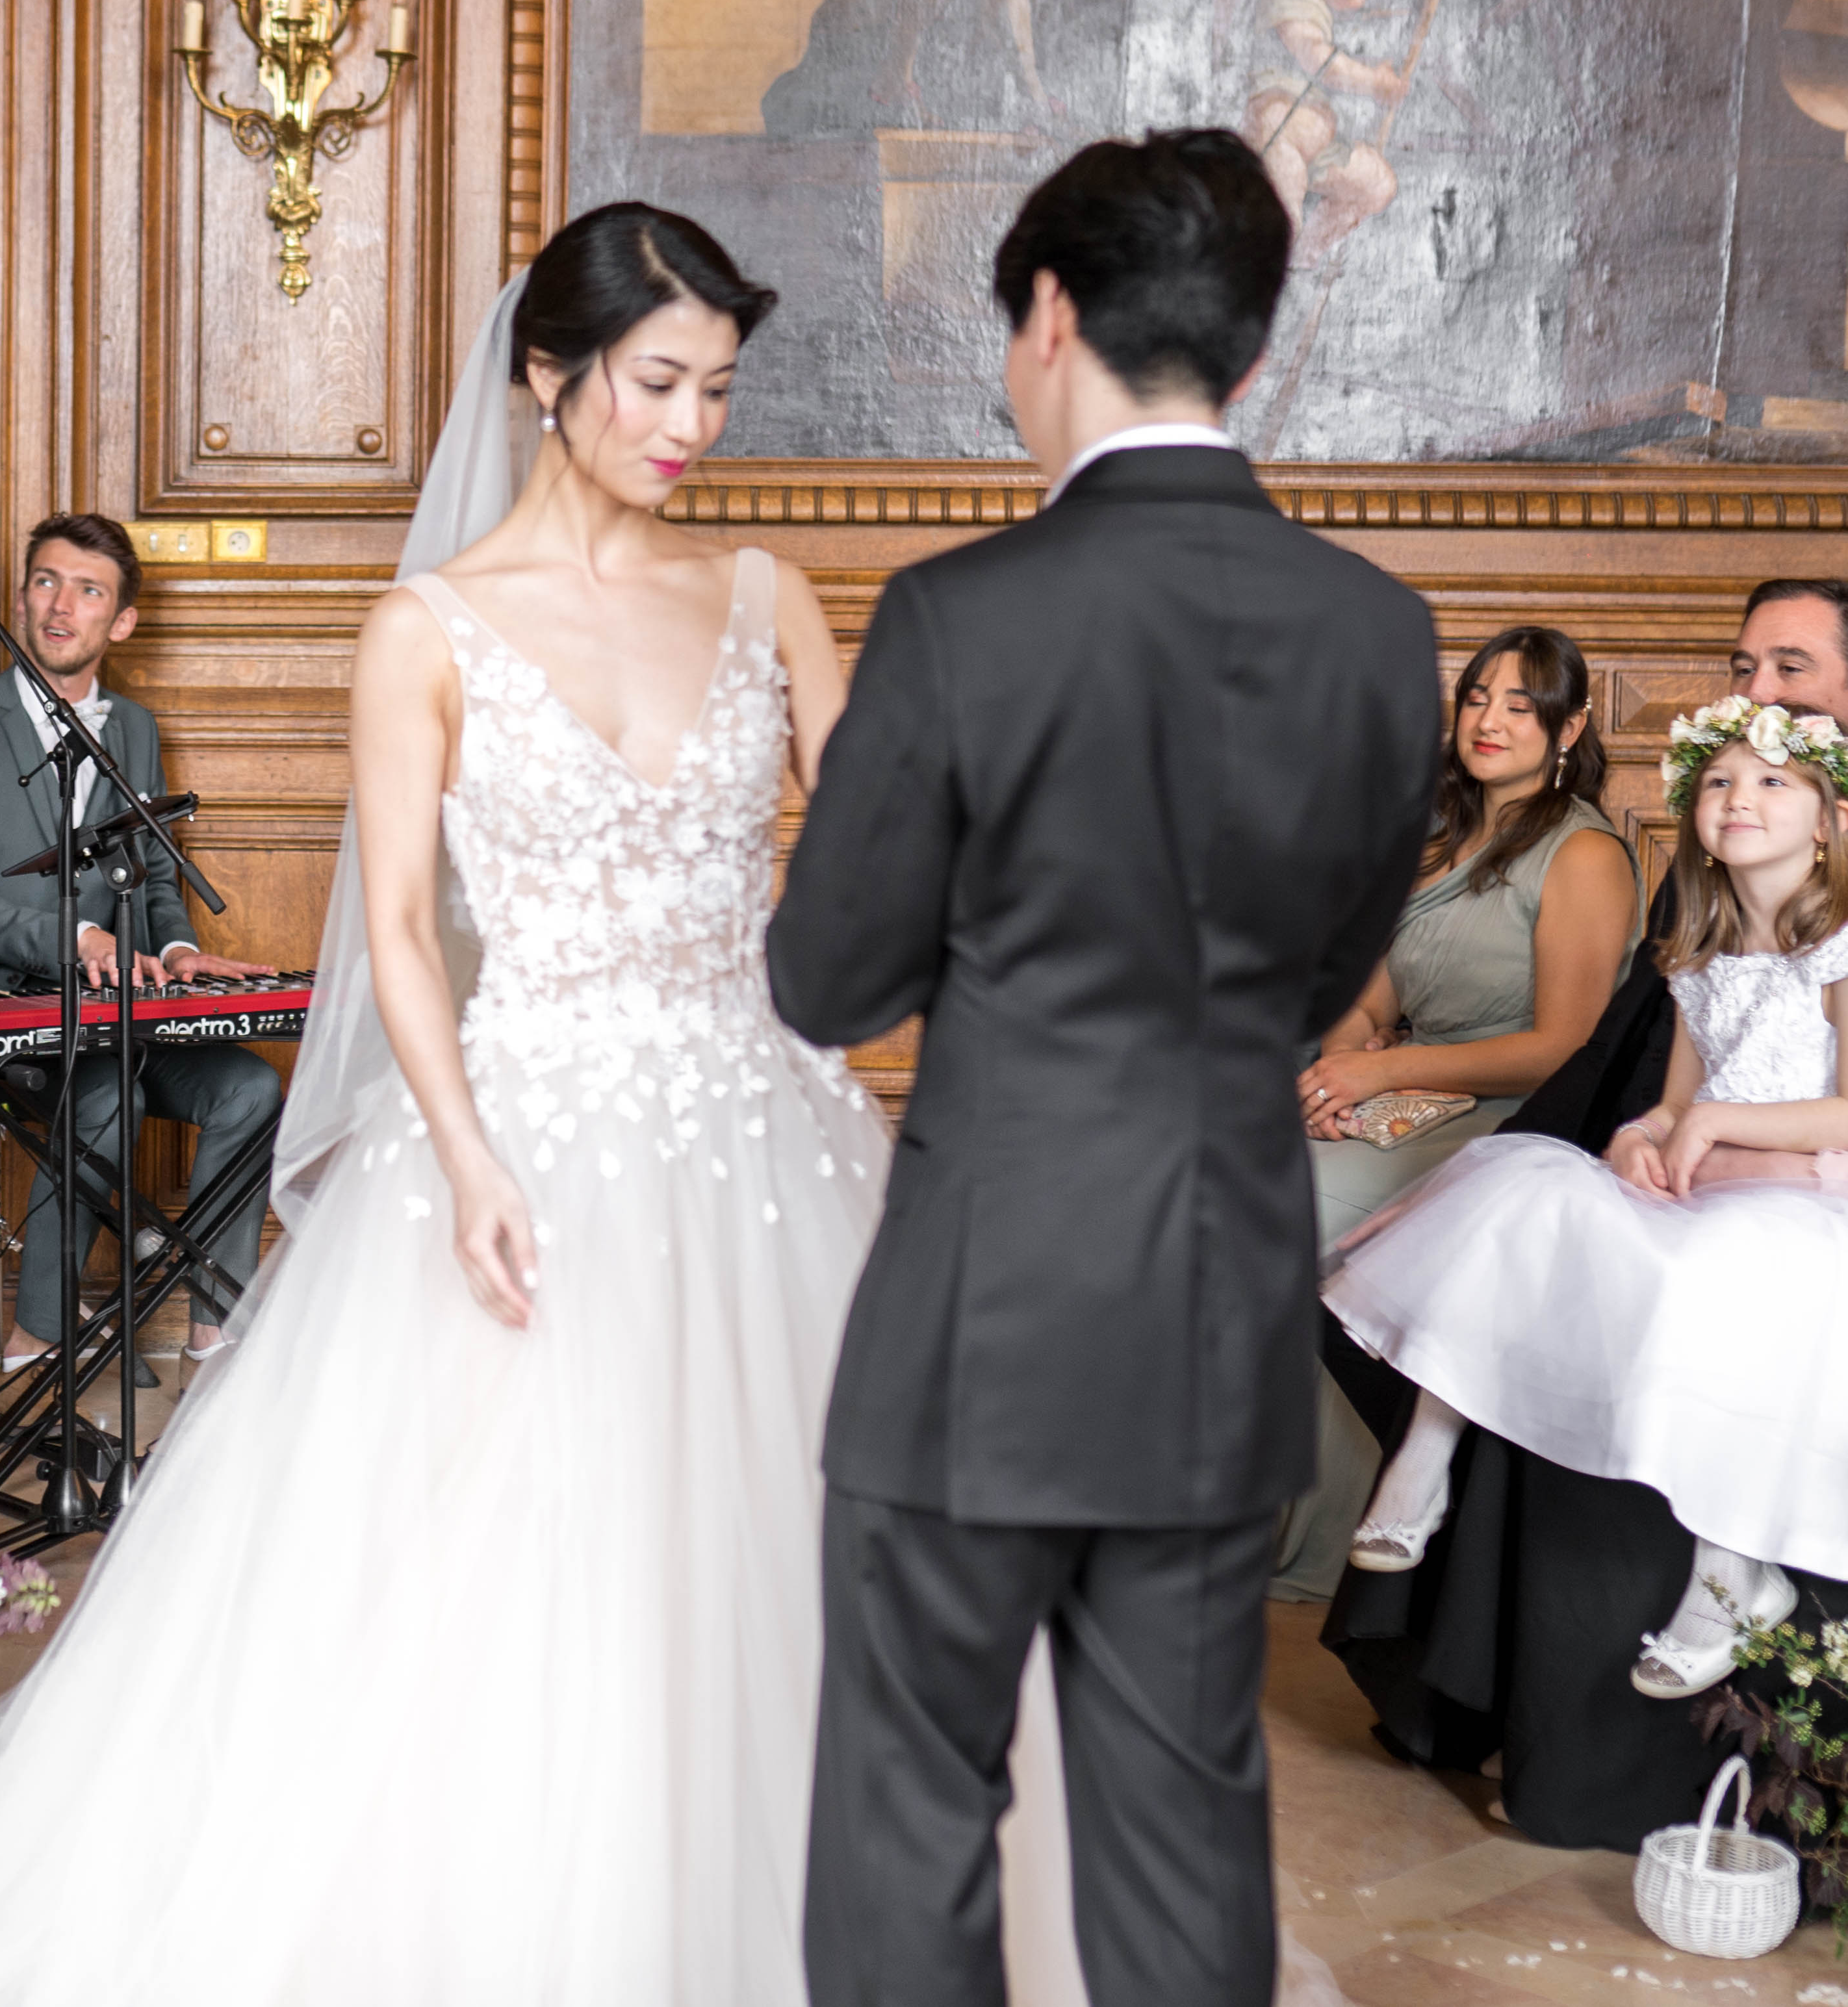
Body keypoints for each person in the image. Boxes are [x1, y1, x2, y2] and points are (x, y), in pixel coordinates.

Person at [0, 202, 979, 2006]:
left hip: (753, 1130)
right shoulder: (429, 627)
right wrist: (468, 1152)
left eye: (718, 391)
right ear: (549, 376)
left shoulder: (767, 601)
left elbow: (886, 853)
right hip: (521, 1130)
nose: (691, 427)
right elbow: (395, 926)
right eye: (658, 383)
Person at [769, 130, 1441, 2007]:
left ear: (1049, 314)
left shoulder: (958, 616)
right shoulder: (1378, 640)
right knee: (1178, 1829)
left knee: (909, 1813)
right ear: (1242, 339)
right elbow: (1324, 970)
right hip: (1217, 1303)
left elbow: (827, 978)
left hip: (978, 1315)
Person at [1323, 578, 1848, 1845]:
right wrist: (1650, 1129)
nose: (1756, 707)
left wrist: (1717, 1129)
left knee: (1727, 1287)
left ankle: (1735, 1570)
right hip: (1712, 1171)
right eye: (1743, 670)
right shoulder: (1713, 917)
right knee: (1526, 1196)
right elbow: (1672, 1075)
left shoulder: (1828, 924)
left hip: (1797, 1196)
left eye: (1791, 671)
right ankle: (1429, 1476)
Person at [1267, 626, 1637, 1599]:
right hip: (1412, 1095)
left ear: (1568, 728)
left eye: (1520, 704)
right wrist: (1344, 1056)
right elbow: (1372, 998)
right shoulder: (1439, 841)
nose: (1488, 719)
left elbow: (1564, 1045)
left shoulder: (1583, 853)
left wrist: (1384, 1077)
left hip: (1513, 1122)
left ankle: (1326, 1530)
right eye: (1476, 697)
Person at [0, 513, 279, 1365]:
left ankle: (215, 1329)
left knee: (247, 1088)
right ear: (21, 596)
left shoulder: (132, 730)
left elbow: (152, 876)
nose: (59, 606)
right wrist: (77, 941)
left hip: (116, 1016)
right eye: (44, 581)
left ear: (122, 620)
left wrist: (176, 952)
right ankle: (39, 1335)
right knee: (106, 1098)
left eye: (88, 590)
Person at [1244, 0, 1407, 259]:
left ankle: (1307, 254)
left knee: (1380, 185)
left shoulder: (1323, 5)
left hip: (1316, 149)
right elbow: (1318, 59)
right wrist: (1373, 82)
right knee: (1283, 219)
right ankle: (1280, 257)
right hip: (1277, 137)